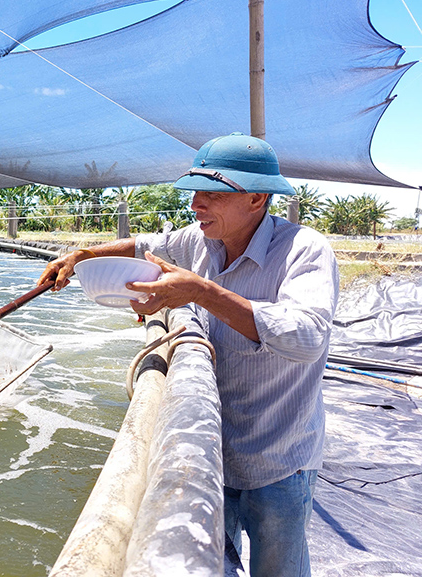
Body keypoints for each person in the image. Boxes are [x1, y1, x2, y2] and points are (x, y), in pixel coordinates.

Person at [37, 133, 338, 577]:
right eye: (195, 192)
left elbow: (308, 336)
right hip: (213, 446)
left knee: (282, 568)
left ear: (256, 198)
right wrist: (83, 254)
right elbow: (143, 246)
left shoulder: (303, 249)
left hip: (279, 455)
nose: (196, 205)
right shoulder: (199, 240)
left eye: (212, 194)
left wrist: (200, 291)